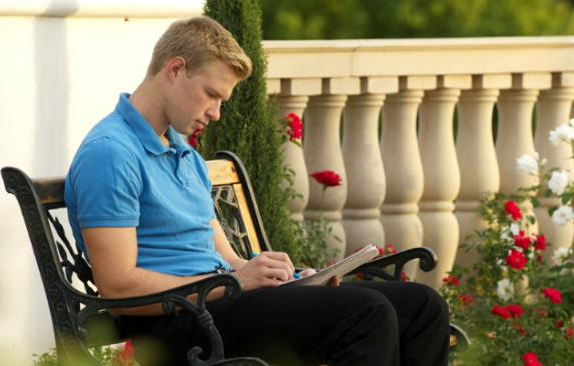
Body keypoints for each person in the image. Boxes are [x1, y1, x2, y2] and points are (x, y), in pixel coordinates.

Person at [64, 16, 449, 366]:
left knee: (422, 305)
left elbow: (226, 257)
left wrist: (293, 281)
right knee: (367, 312)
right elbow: (117, 285)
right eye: (212, 94)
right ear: (176, 69)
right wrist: (237, 282)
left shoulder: (182, 153)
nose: (215, 112)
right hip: (178, 323)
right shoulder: (111, 152)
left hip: (220, 303)